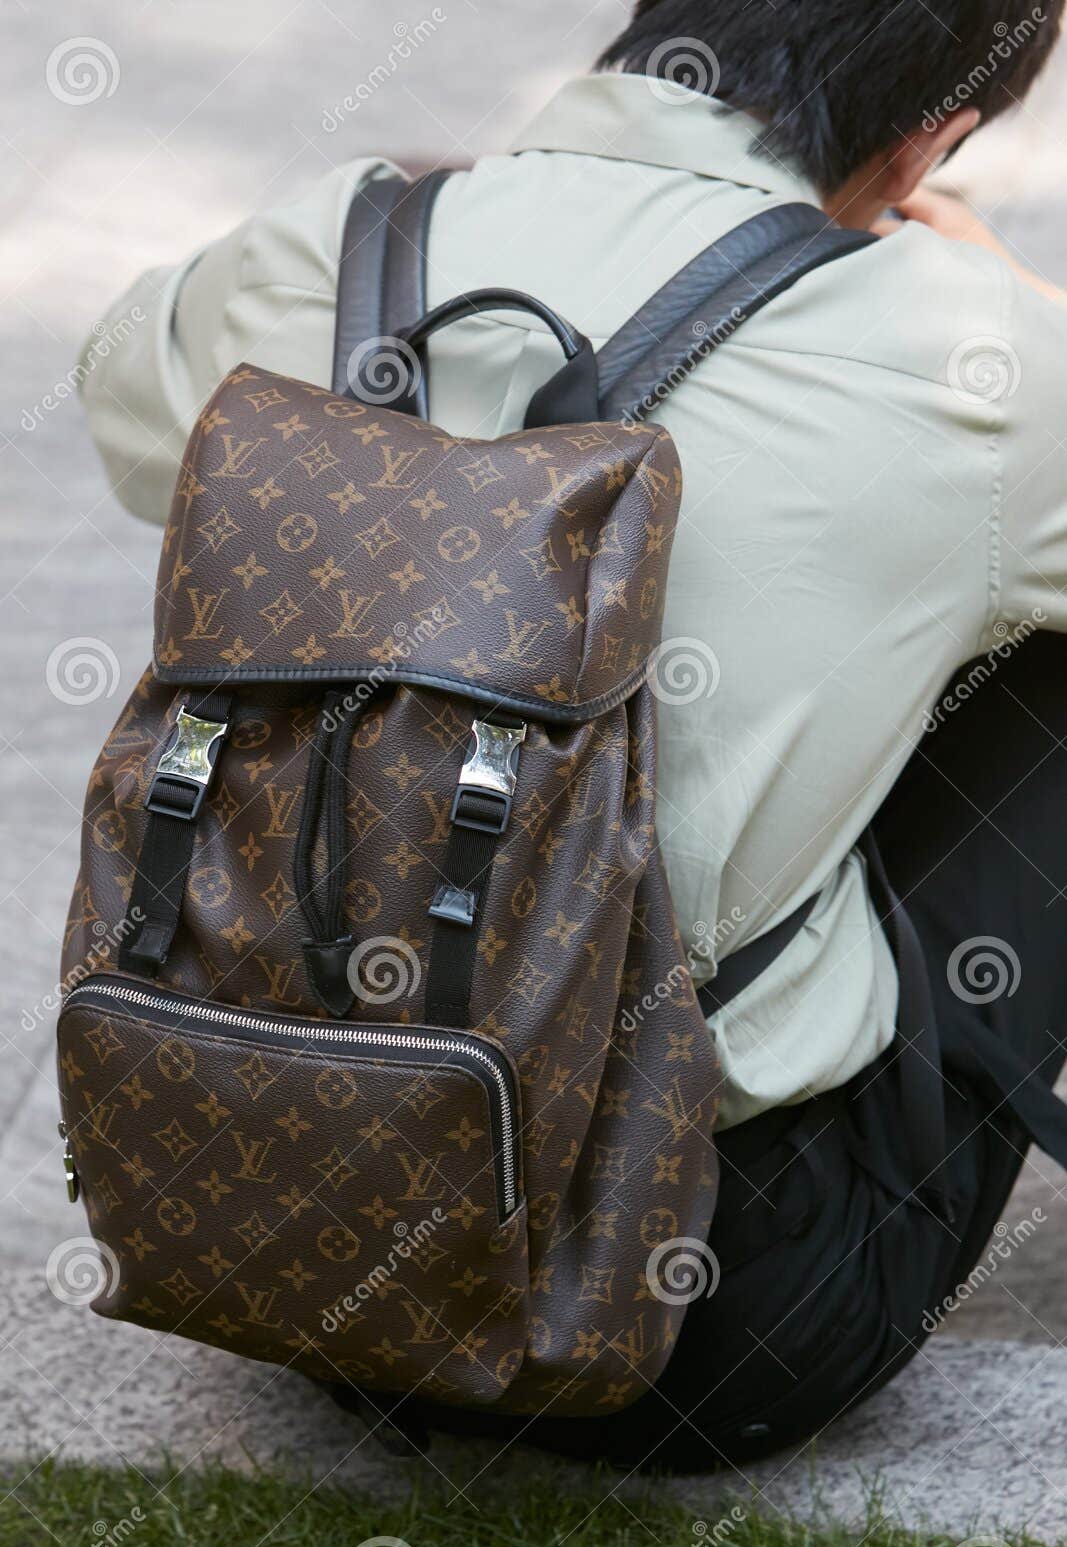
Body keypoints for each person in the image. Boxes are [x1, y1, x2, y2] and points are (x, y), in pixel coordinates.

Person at [80, 1, 1067, 1470]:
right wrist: (998, 284)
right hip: (708, 1323)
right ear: (934, 139)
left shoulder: (334, 245)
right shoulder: (967, 355)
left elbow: (121, 399)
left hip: (275, 1233)